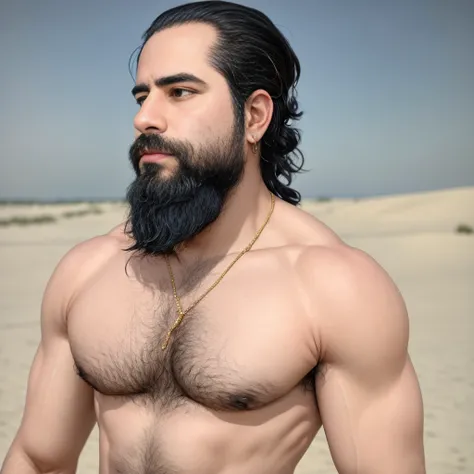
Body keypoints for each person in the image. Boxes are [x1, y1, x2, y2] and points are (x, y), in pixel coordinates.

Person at [1, 1, 426, 473]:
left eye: (179, 92)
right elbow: (38, 460)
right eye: (142, 97)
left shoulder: (334, 288)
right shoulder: (88, 270)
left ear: (255, 116)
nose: (145, 119)